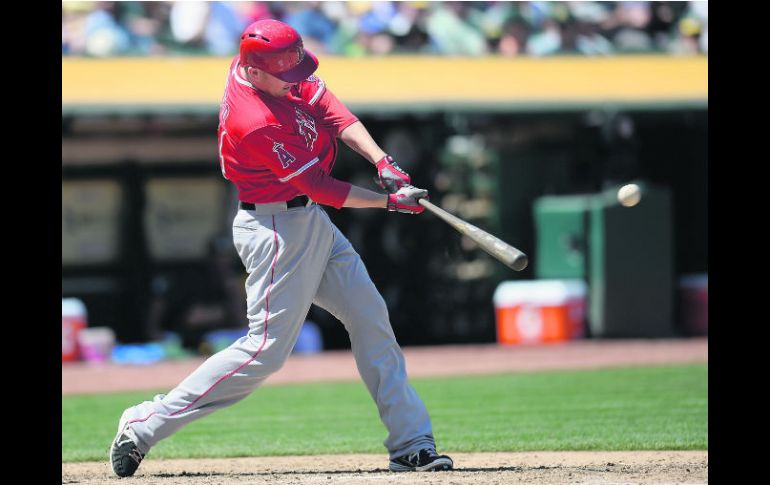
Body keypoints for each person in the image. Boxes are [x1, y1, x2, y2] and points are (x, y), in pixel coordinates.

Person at [110, 18, 453, 477]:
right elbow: (321, 185)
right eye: (285, 74)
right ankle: (143, 424)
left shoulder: (271, 67)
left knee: (370, 316)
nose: (296, 81)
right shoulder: (252, 119)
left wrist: (382, 160)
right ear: (253, 73)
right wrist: (389, 202)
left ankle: (412, 443)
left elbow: (329, 107)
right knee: (264, 350)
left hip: (307, 219)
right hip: (275, 229)